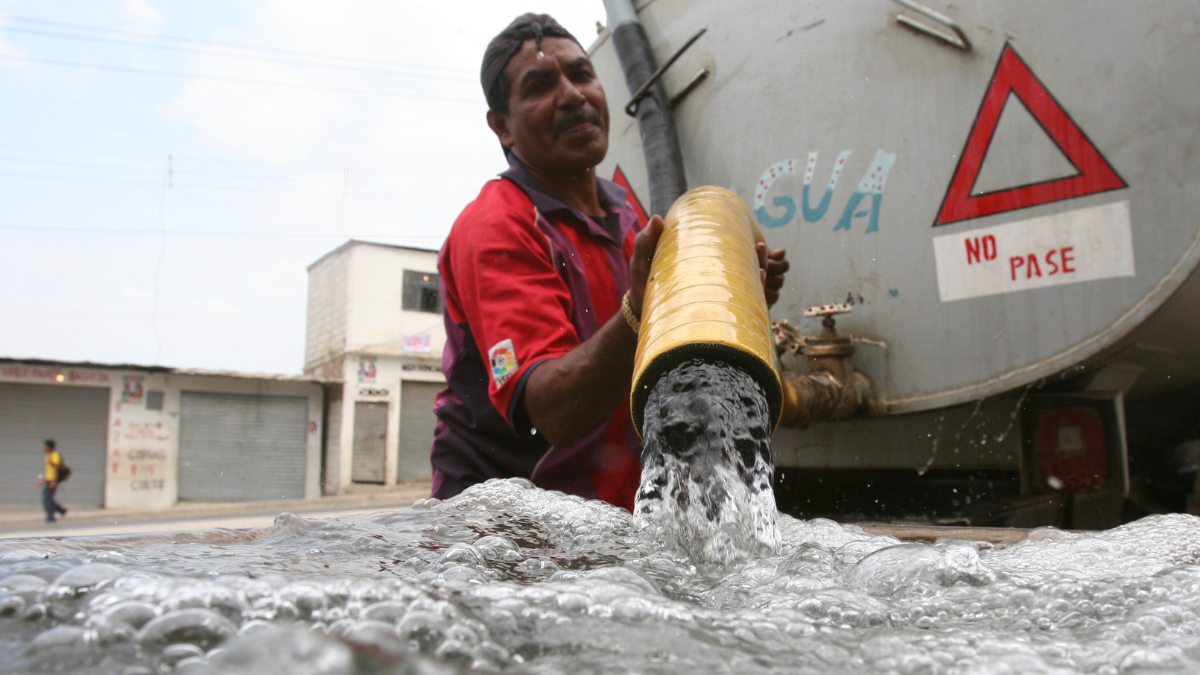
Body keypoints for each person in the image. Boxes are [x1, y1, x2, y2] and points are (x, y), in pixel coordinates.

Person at [429, 13, 788, 511]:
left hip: (603, 514)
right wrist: (639, 310)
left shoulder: (624, 213)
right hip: (504, 531)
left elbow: (662, 345)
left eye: (581, 74)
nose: (573, 95)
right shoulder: (496, 225)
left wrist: (731, 298)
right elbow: (550, 413)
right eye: (539, 85)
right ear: (502, 126)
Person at [38, 438, 68, 523]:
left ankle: (51, 517)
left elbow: (56, 468)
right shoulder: (48, 456)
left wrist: (54, 481)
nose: (43, 447)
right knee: (47, 498)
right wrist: (43, 480)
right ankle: (61, 510)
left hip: (53, 480)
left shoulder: (54, 455)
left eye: (44, 446)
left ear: (49, 447)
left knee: (48, 499)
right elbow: (48, 470)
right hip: (49, 480)